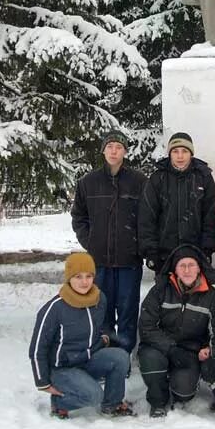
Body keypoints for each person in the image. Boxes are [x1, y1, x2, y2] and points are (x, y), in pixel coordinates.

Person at [29, 252, 133, 419]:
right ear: (69, 278)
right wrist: (43, 382)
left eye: (88, 276)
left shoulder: (99, 299)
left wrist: (104, 337)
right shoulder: (55, 308)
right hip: (62, 368)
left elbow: (101, 325)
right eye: (78, 277)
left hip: (88, 359)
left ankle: (112, 404)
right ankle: (59, 403)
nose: (84, 282)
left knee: (120, 357)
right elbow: (37, 348)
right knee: (94, 396)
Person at [71, 130, 146, 356]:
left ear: (125, 151)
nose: (114, 151)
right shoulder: (88, 182)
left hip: (129, 260)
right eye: (110, 147)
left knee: (127, 310)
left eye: (119, 147)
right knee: (102, 309)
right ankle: (105, 354)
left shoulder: (139, 182)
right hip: (99, 261)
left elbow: (148, 218)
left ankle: (123, 354)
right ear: (103, 150)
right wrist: (90, 241)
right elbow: (79, 217)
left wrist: (138, 245)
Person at [138, 245, 215, 417]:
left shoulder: (211, 296)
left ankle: (178, 384)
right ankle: (158, 401)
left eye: (191, 265)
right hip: (159, 347)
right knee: (151, 360)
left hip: (189, 353)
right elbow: (146, 326)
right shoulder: (160, 290)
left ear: (199, 268)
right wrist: (171, 348)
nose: (187, 270)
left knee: (184, 393)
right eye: (182, 265)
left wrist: (211, 352)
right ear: (175, 269)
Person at [138, 132, 215, 274]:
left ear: (191, 154)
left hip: (196, 254)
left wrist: (207, 248)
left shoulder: (203, 177)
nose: (180, 156)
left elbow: (211, 216)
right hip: (165, 256)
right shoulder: (158, 178)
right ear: (170, 154)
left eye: (184, 151)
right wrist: (151, 251)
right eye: (175, 151)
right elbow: (147, 217)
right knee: (166, 289)